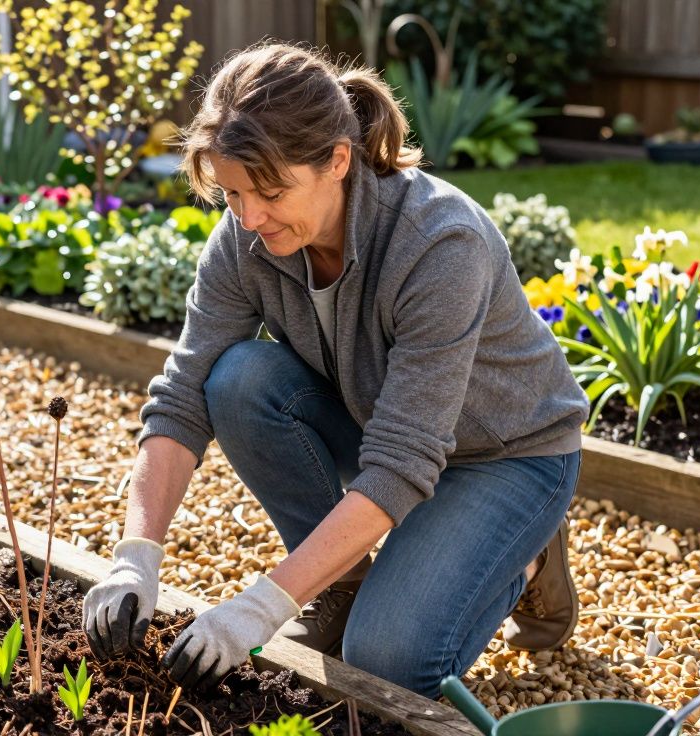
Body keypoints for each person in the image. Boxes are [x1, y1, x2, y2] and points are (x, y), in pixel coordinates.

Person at [80, 43, 589, 699]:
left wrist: (263, 606)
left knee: (386, 663)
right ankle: (340, 590)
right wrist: (135, 557)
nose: (248, 217)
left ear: (337, 161)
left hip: (505, 457)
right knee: (237, 378)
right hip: (383, 424)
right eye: (232, 193)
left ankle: (527, 551)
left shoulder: (438, 243)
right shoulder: (247, 238)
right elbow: (181, 398)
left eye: (269, 192)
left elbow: (403, 459)